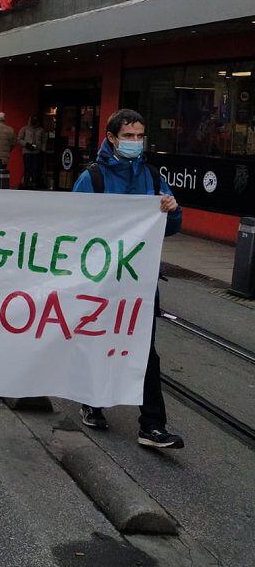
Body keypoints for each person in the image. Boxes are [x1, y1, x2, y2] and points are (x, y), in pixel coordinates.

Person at [73, 109, 184, 449]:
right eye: (129, 136)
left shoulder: (152, 176)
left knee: (145, 351)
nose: (135, 142)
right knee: (97, 340)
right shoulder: (92, 179)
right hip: (101, 282)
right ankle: (92, 401)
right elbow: (72, 227)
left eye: (140, 136)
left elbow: (172, 227)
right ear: (111, 138)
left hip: (139, 282)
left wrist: (172, 209)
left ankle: (151, 425)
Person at [18, 114, 47, 189]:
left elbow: (44, 141)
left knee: (35, 168)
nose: (34, 121)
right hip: (27, 151)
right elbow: (19, 139)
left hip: (37, 152)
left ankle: (34, 183)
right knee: (27, 168)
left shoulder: (41, 130)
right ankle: (25, 183)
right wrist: (26, 144)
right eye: (33, 119)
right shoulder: (25, 129)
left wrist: (43, 150)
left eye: (36, 120)